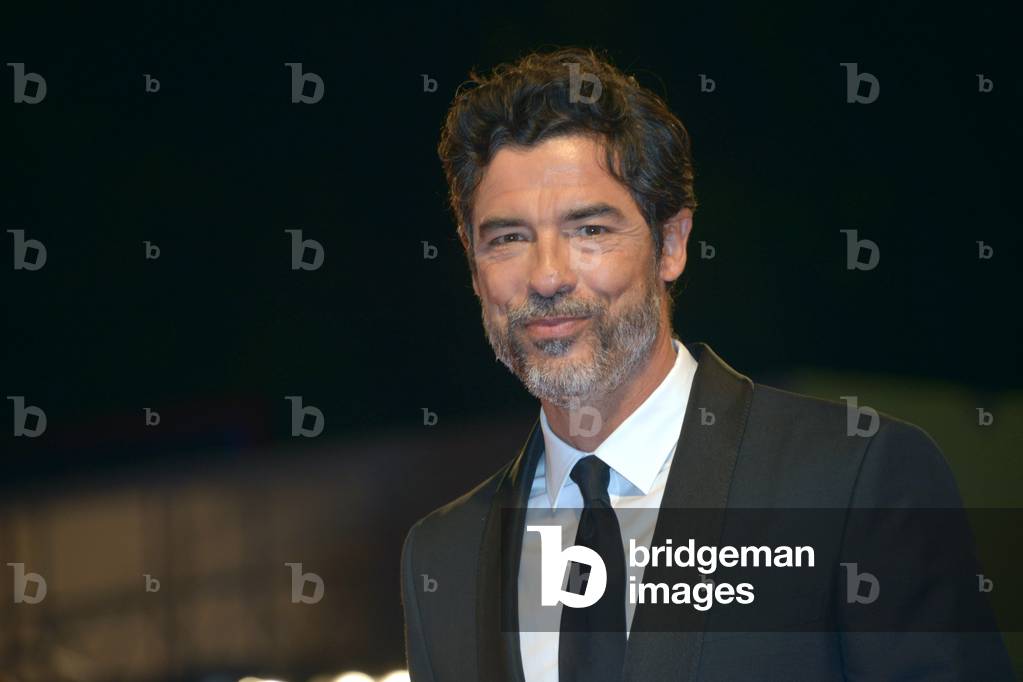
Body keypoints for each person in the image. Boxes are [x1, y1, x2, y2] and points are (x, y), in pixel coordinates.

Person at [400, 46, 1013, 681]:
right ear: (473, 266)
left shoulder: (853, 481)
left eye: (590, 230)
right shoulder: (441, 555)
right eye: (508, 238)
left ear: (671, 244)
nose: (547, 276)